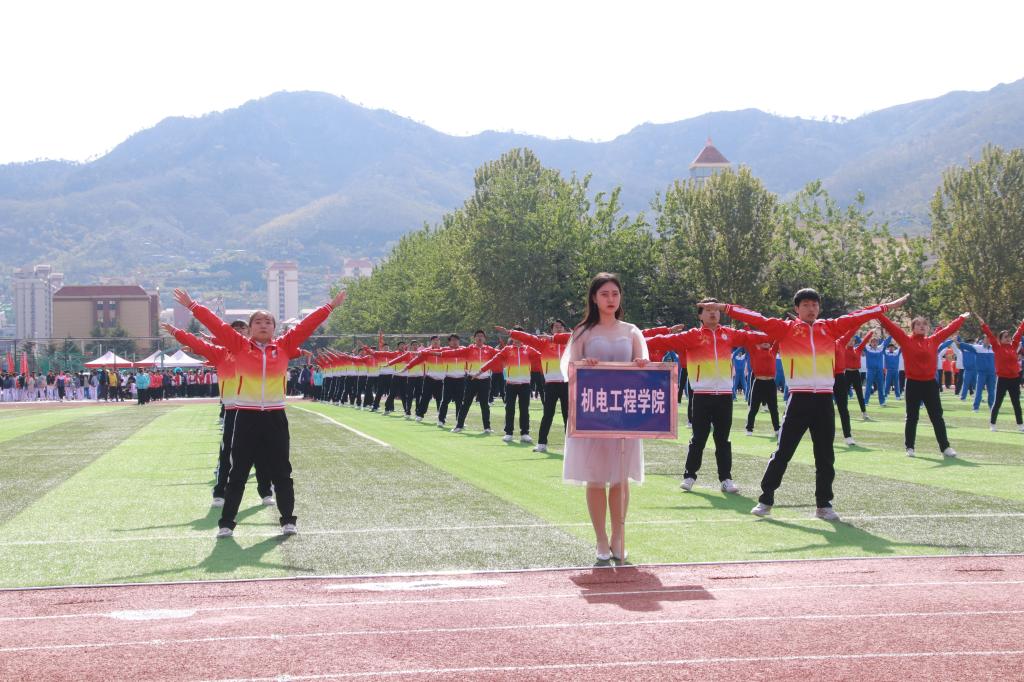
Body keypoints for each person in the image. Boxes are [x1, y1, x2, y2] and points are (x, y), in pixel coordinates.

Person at [706, 289, 907, 521]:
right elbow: (756, 318)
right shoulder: (785, 329)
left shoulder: (830, 327)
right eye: (806, 305)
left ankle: (824, 504)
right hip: (799, 399)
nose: (811, 309)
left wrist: (887, 306)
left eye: (814, 305)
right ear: (797, 308)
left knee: (825, 455)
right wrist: (724, 308)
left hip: (824, 400)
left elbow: (859, 315)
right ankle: (766, 498)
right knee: (783, 452)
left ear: (819, 308)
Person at [173, 286, 346, 538]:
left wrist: (329, 307)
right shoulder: (239, 346)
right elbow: (216, 326)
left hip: (275, 416)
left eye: (268, 322)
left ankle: (288, 520)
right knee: (238, 472)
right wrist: (192, 306)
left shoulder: (284, 346)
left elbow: (306, 326)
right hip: (246, 416)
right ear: (250, 327)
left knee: (282, 471)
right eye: (258, 322)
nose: (263, 325)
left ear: (274, 328)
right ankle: (226, 523)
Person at [561, 273, 649, 564]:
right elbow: (569, 370)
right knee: (597, 478)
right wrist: (582, 365)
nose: (611, 299)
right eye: (604, 294)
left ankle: (618, 537)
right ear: (594, 298)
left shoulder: (632, 331)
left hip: (625, 415)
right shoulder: (582, 332)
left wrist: (640, 365)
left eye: (615, 294)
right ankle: (600, 538)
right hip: (593, 414)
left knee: (620, 478)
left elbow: (645, 367)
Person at [646, 299, 767, 495]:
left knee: (723, 439)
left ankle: (726, 479)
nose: (713, 313)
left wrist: (774, 333)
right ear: (700, 315)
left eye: (716, 310)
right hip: (701, 395)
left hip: (725, 396)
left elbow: (752, 336)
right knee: (699, 438)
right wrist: (637, 341)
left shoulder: (729, 334)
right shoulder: (692, 336)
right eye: (708, 310)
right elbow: (663, 341)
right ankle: (689, 476)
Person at [163, 319, 275, 508]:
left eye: (242, 329)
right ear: (227, 334)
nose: (239, 332)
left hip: (256, 409)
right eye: (234, 330)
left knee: (261, 452)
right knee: (227, 453)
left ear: (249, 332)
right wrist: (176, 332)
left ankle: (266, 492)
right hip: (232, 410)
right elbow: (198, 344)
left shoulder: (259, 352)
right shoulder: (220, 354)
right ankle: (220, 492)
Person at [878, 312, 968, 458]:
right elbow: (891, 327)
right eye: (918, 324)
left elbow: (949, 330)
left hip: (930, 384)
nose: (922, 326)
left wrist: (961, 318)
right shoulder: (905, 340)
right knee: (912, 417)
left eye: (924, 324)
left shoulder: (933, 340)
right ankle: (910, 447)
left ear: (928, 328)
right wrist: (879, 314)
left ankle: (945, 447)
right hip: (913, 383)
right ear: (912, 328)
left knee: (937, 417)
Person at [500, 321, 572, 453]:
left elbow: (579, 337)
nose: (558, 328)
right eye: (555, 327)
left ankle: (571, 446)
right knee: (548, 414)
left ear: (564, 329)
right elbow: (528, 338)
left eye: (560, 326)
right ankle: (542, 443)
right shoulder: (544, 343)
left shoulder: (570, 343)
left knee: (567, 415)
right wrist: (510, 332)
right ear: (551, 330)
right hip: (551, 384)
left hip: (567, 383)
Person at [477, 329, 541, 443]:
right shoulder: (507, 349)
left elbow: (543, 357)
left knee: (524, 409)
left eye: (519, 336)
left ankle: (525, 433)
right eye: (515, 337)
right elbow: (494, 360)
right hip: (511, 384)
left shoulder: (529, 349)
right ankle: (509, 433)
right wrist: (481, 370)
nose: (517, 339)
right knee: (509, 409)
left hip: (525, 384)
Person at [441, 330, 498, 433]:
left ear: (485, 339)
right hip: (471, 379)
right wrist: (436, 353)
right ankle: (459, 426)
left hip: (485, 380)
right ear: (474, 338)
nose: (479, 338)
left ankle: (487, 428)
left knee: (484, 404)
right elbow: (453, 353)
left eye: (482, 336)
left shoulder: (490, 350)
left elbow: (501, 355)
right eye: (478, 336)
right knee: (466, 403)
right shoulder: (469, 349)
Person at [978, 316, 1024, 432]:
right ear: (1000, 339)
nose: (1008, 338)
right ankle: (992, 424)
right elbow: (990, 335)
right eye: (1005, 337)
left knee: (1016, 403)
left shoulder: (1013, 346)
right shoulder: (997, 347)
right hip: (1003, 379)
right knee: (998, 402)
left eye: (1009, 336)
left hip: (1014, 379)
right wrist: (983, 324)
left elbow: (1018, 334)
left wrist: (1023, 323)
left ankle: (1020, 425)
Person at [834, 330, 872, 446]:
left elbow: (864, 341)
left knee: (858, 395)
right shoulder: (842, 347)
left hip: (854, 374)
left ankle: (863, 413)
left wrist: (870, 333)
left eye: (853, 340)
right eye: (849, 340)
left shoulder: (857, 349)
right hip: (843, 374)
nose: (851, 341)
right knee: (834, 402)